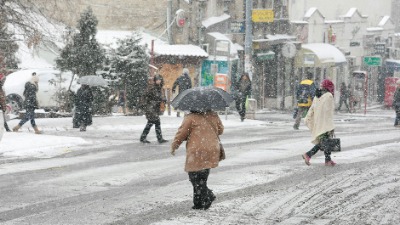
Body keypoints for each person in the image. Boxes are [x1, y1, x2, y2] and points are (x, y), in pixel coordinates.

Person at [170, 110, 224, 210]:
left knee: (193, 177)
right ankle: (198, 203)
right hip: (211, 149)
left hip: (197, 150)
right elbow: (220, 130)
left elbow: (182, 133)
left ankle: (208, 195)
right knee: (203, 177)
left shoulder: (190, 117)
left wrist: (174, 145)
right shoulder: (213, 115)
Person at [302, 79, 337, 166]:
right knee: (323, 143)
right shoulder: (329, 96)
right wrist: (331, 126)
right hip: (325, 123)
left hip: (319, 123)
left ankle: (327, 160)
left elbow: (312, 109)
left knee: (325, 142)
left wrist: (308, 119)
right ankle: (308, 154)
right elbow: (329, 112)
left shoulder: (316, 96)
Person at [140, 75, 168, 144]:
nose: (159, 81)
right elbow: (144, 96)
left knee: (151, 123)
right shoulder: (152, 88)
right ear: (155, 80)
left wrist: (163, 99)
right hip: (150, 108)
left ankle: (143, 137)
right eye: (157, 80)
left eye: (160, 80)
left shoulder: (159, 88)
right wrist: (145, 105)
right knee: (156, 122)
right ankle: (159, 138)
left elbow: (158, 97)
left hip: (154, 108)